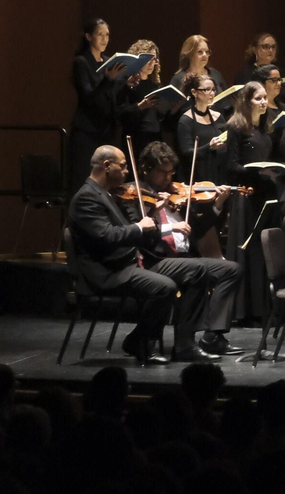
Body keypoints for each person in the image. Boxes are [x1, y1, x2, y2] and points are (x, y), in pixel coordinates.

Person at [69, 146, 239, 364]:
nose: (126, 171)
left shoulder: (105, 194)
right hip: (110, 270)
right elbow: (107, 236)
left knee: (198, 270)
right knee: (164, 286)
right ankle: (140, 339)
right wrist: (140, 226)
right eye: (122, 166)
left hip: (130, 261)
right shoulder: (87, 198)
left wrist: (151, 213)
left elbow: (134, 235)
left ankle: (185, 344)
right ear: (106, 166)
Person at [70, 17, 120, 186]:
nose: (105, 39)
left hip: (106, 130)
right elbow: (87, 97)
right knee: (85, 178)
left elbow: (112, 96)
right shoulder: (81, 62)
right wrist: (108, 80)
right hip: (87, 130)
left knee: (109, 180)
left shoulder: (108, 62)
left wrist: (125, 83)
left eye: (107, 35)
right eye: (100, 34)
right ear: (89, 37)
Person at [175, 73, 230, 186]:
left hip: (219, 172)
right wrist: (209, 146)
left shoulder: (218, 117)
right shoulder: (186, 120)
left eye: (213, 89)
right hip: (199, 176)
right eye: (206, 90)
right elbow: (187, 152)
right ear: (195, 92)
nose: (212, 93)